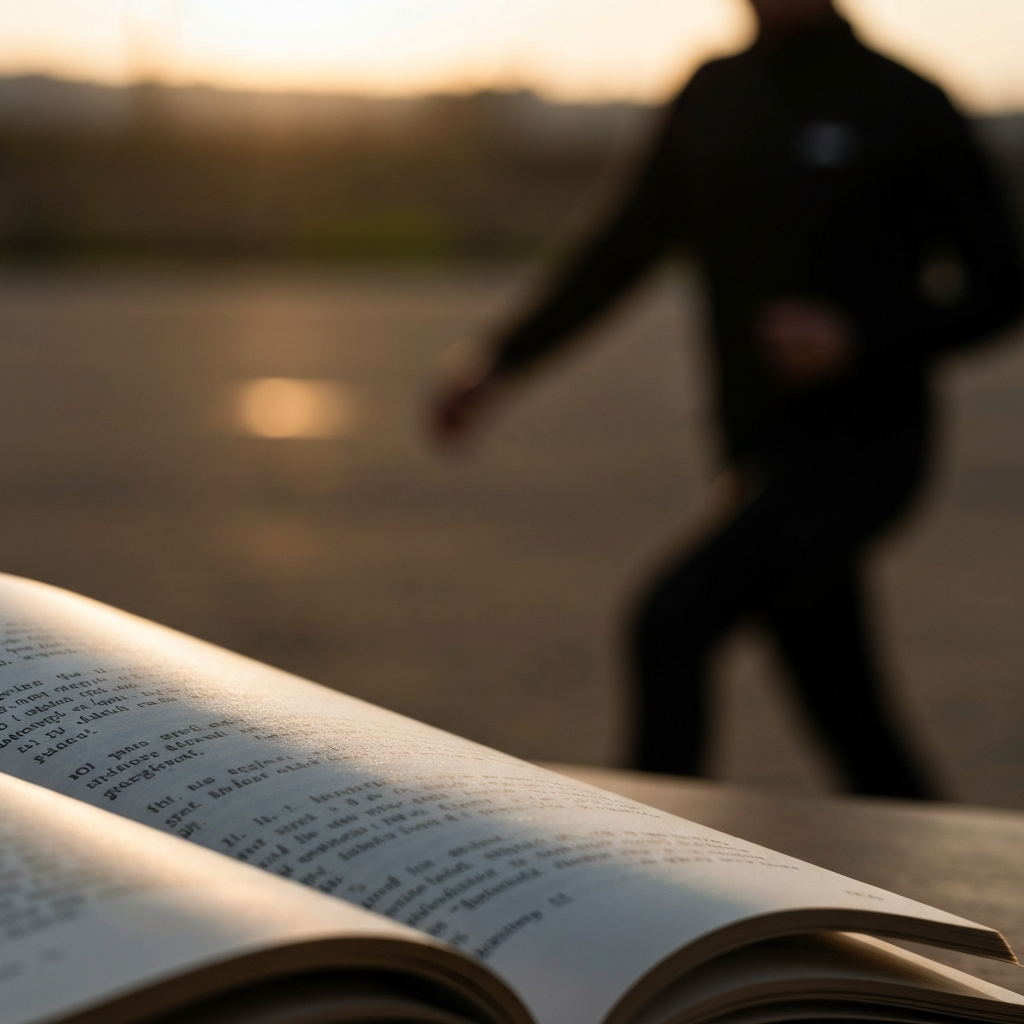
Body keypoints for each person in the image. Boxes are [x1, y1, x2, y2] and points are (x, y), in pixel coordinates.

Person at [429, 0, 1024, 798]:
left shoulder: (899, 99)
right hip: (757, 445)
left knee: (669, 625)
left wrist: (860, 338)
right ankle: (964, 902)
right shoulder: (715, 93)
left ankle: (656, 884)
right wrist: (501, 359)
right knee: (842, 701)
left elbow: (1003, 286)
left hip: (867, 449)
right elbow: (626, 243)